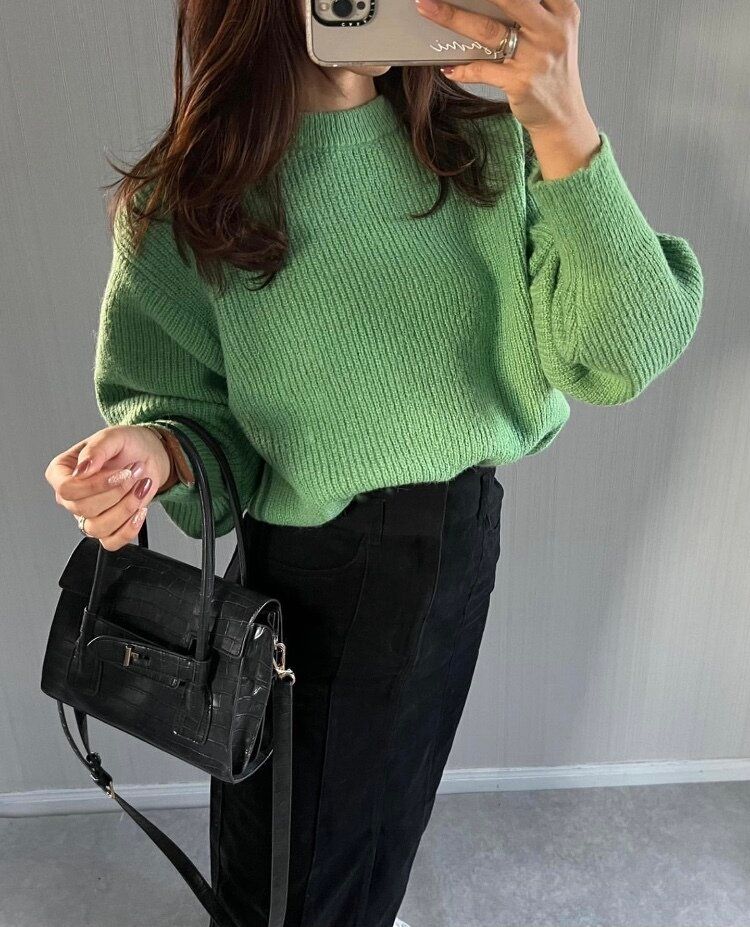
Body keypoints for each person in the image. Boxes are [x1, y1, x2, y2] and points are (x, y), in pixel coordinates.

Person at [44, 0, 704, 924]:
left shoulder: (487, 149)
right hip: (313, 573)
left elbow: (623, 350)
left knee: (389, 817)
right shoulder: (189, 200)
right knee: (284, 864)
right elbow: (191, 412)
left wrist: (564, 120)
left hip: (460, 544)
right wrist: (155, 450)